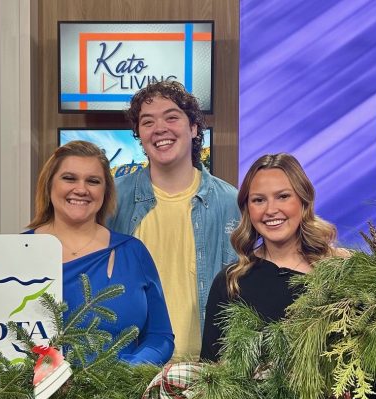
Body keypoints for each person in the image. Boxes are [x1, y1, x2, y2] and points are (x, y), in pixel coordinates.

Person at [110, 80, 239, 362]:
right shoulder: (112, 200)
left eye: (171, 117)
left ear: (193, 128)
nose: (160, 129)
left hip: (208, 371)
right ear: (139, 135)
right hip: (129, 371)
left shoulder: (231, 203)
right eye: (147, 122)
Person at [27, 140, 174, 365]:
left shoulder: (133, 253)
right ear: (49, 185)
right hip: (32, 396)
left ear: (105, 192)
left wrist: (124, 374)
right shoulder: (16, 253)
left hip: (118, 396)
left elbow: (160, 337)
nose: (81, 189)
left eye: (93, 181)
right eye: (69, 178)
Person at [202, 153, 349, 362]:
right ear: (247, 209)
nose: (271, 210)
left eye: (283, 196)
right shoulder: (229, 283)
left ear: (303, 200)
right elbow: (211, 376)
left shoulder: (339, 273)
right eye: (259, 200)